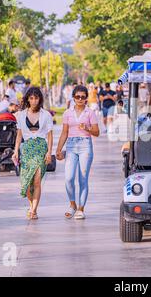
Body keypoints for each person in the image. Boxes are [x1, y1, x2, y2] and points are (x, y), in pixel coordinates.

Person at [56, 85, 100, 220]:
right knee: (68, 178)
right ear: (73, 98)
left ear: (86, 98)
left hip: (85, 145)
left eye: (83, 97)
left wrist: (87, 128)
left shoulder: (90, 113)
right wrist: (58, 149)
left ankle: (81, 208)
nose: (80, 99)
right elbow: (64, 132)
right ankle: (72, 204)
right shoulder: (67, 113)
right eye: (77, 97)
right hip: (71, 145)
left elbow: (97, 132)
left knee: (82, 179)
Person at [12, 87, 53, 220]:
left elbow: (50, 135)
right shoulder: (21, 115)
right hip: (27, 148)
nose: (34, 101)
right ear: (28, 99)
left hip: (41, 147)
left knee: (36, 181)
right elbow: (19, 135)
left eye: (36, 98)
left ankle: (34, 210)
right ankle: (31, 206)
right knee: (27, 181)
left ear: (40, 99)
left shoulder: (46, 115)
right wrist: (16, 150)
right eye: (31, 98)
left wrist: (49, 153)